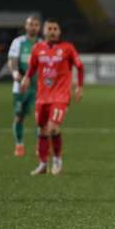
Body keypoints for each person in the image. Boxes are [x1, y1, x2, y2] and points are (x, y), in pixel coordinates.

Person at [20, 18, 84, 176]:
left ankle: (57, 160)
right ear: (44, 31)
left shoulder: (67, 48)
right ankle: (42, 164)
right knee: (42, 130)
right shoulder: (38, 48)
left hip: (60, 97)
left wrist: (79, 86)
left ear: (59, 31)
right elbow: (32, 67)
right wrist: (27, 78)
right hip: (42, 97)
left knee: (53, 128)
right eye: (50, 29)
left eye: (55, 29)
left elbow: (80, 66)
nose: (53, 31)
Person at [8, 15, 41, 156]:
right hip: (20, 88)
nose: (33, 27)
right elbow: (12, 60)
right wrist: (15, 73)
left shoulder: (42, 44)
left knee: (41, 118)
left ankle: (40, 146)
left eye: (35, 25)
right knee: (19, 116)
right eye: (30, 24)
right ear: (26, 26)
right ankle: (19, 145)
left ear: (39, 27)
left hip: (38, 88)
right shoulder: (18, 42)